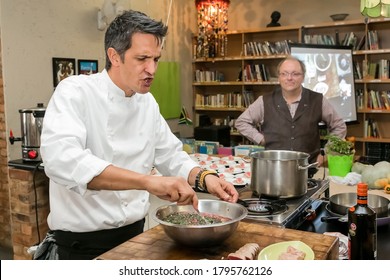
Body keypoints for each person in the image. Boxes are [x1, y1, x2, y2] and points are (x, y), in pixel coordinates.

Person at [40, 10, 238, 260]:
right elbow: (64, 161)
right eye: (142, 58)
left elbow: (171, 155)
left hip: (137, 237)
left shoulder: (147, 102)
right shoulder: (75, 92)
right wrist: (148, 182)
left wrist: (206, 178)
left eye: (156, 59)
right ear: (115, 56)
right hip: (82, 246)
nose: (152, 69)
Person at [234, 56, 347, 166]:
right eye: (284, 74)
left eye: (295, 74)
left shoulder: (317, 100)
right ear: (279, 77)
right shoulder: (265, 101)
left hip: (308, 168)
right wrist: (260, 139)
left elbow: (339, 126)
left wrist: (326, 153)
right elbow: (241, 122)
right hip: (274, 168)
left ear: (303, 77)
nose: (289, 78)